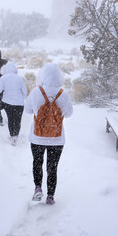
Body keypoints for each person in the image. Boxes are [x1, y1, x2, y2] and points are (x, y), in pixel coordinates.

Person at [24, 63, 73, 205]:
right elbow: (69, 114)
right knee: (52, 167)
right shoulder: (63, 94)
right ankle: (50, 196)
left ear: (43, 76)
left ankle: (38, 188)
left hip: (37, 137)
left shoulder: (36, 91)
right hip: (56, 139)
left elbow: (27, 110)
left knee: (37, 163)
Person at [0, 61, 28, 146]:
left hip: (8, 103)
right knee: (18, 120)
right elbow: (25, 92)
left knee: (10, 120)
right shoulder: (20, 78)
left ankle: (12, 136)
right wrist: (20, 98)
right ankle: (16, 136)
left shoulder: (4, 78)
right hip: (19, 104)